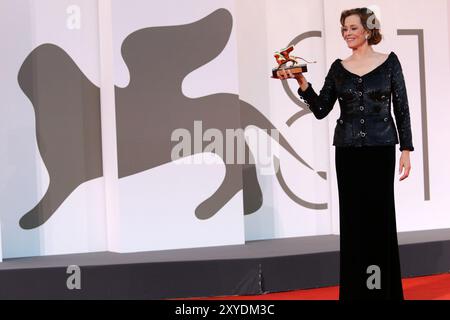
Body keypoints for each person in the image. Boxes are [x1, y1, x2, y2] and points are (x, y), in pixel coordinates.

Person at [277, 7, 414, 300]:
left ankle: (378, 290)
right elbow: (321, 109)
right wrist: (302, 84)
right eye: (343, 29)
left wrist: (406, 148)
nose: (347, 33)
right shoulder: (339, 68)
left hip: (380, 151)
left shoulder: (389, 63)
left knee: (379, 221)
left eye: (352, 27)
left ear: (367, 30)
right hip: (348, 154)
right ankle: (358, 293)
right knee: (353, 223)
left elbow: (401, 108)